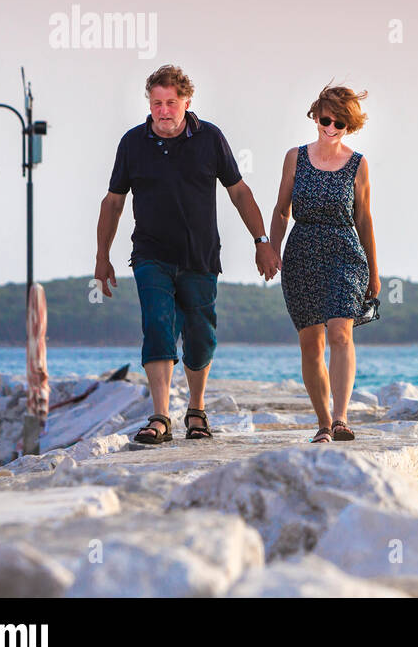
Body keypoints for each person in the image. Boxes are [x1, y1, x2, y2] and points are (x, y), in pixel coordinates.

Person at [95, 65, 280, 444]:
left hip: (201, 256)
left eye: (171, 103)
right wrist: (103, 256)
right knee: (158, 325)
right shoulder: (132, 143)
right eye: (156, 103)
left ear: (186, 102)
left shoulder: (209, 138)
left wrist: (262, 241)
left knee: (200, 337)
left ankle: (196, 410)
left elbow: (239, 192)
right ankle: (160, 416)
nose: (163, 110)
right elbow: (113, 202)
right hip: (150, 255)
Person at [269, 82, 380, 442]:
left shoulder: (358, 165)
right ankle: (321, 424)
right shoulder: (295, 157)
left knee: (340, 332)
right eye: (325, 119)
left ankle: (341, 418)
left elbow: (364, 219)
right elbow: (282, 209)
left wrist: (374, 274)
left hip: (345, 252)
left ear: (349, 127)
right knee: (310, 343)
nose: (330, 128)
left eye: (340, 124)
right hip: (301, 252)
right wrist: (271, 247)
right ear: (316, 115)